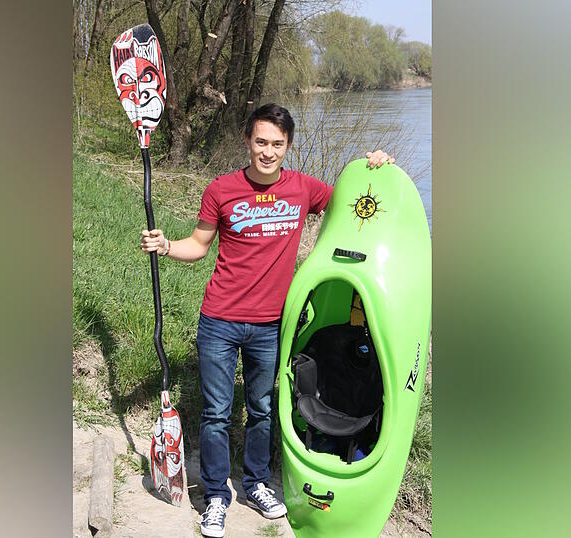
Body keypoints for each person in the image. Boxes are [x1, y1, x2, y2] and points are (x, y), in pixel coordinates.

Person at [140, 103, 394, 537]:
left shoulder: (304, 189)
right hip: (219, 318)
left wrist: (375, 168)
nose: (268, 152)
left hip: (272, 324)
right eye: (261, 142)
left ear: (288, 146)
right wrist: (166, 245)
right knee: (218, 413)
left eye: (277, 144)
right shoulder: (221, 189)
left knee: (261, 410)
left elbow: (357, 203)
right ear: (248, 141)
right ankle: (217, 495)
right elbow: (199, 244)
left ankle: (256, 484)